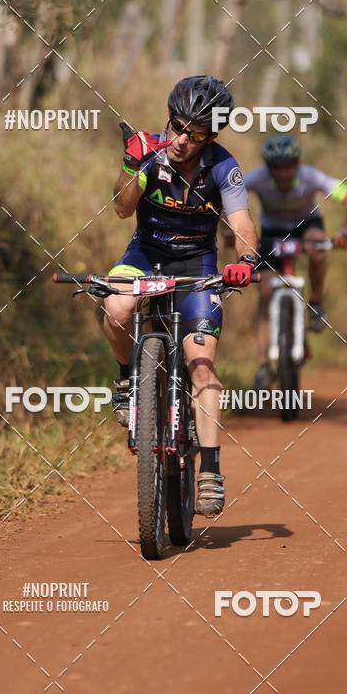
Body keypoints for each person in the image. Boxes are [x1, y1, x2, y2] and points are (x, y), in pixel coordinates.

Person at [103, 75, 258, 517]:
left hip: (197, 265)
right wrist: (132, 167)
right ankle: (127, 383)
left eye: (196, 133)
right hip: (145, 254)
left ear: (211, 135)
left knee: (202, 367)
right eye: (177, 126)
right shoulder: (149, 150)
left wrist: (244, 262)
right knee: (115, 306)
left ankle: (209, 469)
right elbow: (121, 207)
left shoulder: (223, 167)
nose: (182, 140)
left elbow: (242, 225)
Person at [242, 135, 347, 389]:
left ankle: (315, 302)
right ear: (268, 167)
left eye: (288, 165)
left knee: (318, 246)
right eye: (276, 167)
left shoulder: (311, 176)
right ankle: (263, 366)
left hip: (306, 227)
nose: (283, 172)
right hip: (272, 233)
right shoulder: (257, 178)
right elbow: (229, 192)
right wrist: (228, 229)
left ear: (297, 163)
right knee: (266, 291)